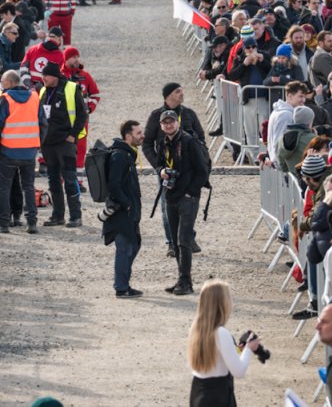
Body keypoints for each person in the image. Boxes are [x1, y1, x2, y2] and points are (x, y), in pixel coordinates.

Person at [154, 109, 210, 296]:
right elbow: (159, 162)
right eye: (165, 123)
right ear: (161, 126)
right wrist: (162, 170)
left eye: (171, 122)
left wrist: (190, 193)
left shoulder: (189, 142)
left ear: (177, 123)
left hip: (187, 197)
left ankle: (186, 282)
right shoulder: (163, 143)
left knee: (184, 240)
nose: (168, 125)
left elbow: (203, 171)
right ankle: (182, 279)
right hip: (171, 195)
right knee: (175, 240)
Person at [0, 70, 46, 234]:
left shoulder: (5, 99)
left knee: (4, 188)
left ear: (9, 82)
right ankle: (31, 222)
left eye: (2, 81)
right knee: (28, 187)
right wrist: (37, 144)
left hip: (8, 151)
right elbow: (43, 123)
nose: (1, 84)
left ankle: (4, 224)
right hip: (29, 151)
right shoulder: (34, 98)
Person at [185, 280, 260, 406]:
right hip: (218, 396)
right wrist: (249, 349)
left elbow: (216, 358)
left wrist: (237, 351)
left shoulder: (196, 328)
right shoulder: (221, 333)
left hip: (198, 393)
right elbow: (239, 372)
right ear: (222, 304)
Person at [38, 62, 87, 229]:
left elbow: (82, 114)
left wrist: (73, 135)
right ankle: (57, 215)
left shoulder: (72, 88)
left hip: (65, 143)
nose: (43, 78)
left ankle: (75, 216)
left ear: (55, 76)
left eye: (46, 75)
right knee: (53, 181)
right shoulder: (43, 90)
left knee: (70, 179)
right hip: (48, 144)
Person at [105, 120, 143, 298]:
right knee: (125, 247)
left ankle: (124, 284)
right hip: (123, 212)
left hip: (129, 210)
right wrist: (127, 203)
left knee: (133, 245)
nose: (142, 136)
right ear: (128, 136)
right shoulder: (120, 155)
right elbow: (114, 184)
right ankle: (121, 287)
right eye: (138, 133)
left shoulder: (128, 154)